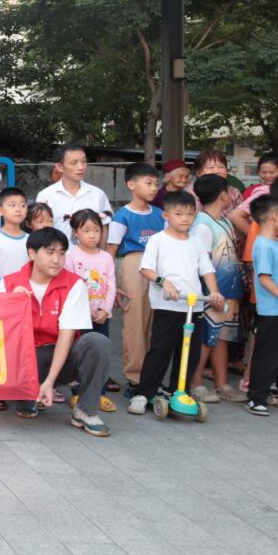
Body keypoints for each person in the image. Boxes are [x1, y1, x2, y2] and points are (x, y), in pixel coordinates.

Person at [0, 228, 113, 437]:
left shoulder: (74, 284)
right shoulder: (8, 283)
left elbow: (66, 335)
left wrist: (50, 381)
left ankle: (86, 410)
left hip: (60, 356)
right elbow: (0, 335)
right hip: (24, 359)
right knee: (25, 402)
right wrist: (11, 304)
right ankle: (25, 395)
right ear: (32, 253)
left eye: (61, 253)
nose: (57, 260)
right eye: (50, 252)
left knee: (97, 342)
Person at [127, 191, 222, 415]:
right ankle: (144, 393)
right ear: (166, 215)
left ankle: (179, 391)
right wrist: (163, 282)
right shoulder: (158, 240)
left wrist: (214, 291)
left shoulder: (196, 242)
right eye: (178, 214)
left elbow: (207, 270)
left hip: (193, 306)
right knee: (160, 350)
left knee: (189, 353)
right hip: (168, 305)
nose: (184, 218)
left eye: (189, 214)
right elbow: (146, 269)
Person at [186, 174, 247, 404]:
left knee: (221, 337)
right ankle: (195, 384)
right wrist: (210, 291)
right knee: (206, 338)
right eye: (229, 191)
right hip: (212, 293)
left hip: (228, 291)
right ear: (223, 195)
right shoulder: (202, 225)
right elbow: (200, 263)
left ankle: (222, 384)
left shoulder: (224, 220)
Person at [107, 163, 164, 391]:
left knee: (155, 323)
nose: (154, 188)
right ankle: (135, 377)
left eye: (156, 184)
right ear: (131, 185)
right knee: (135, 323)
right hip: (134, 264)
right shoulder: (122, 216)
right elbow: (111, 251)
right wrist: (110, 285)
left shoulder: (160, 214)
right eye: (148, 183)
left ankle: (151, 376)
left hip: (159, 266)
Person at [64, 209, 118, 413]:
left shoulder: (106, 257)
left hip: (101, 316)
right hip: (79, 315)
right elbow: (70, 285)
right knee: (80, 353)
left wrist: (105, 309)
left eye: (96, 230)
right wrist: (85, 310)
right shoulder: (70, 255)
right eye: (86, 231)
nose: (92, 235)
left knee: (101, 353)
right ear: (75, 232)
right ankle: (78, 392)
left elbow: (111, 285)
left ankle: (99, 393)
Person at [245, 195, 278, 415]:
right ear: (274, 216)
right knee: (267, 355)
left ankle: (265, 393)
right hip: (270, 311)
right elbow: (264, 279)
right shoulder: (264, 245)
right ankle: (256, 397)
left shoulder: (272, 243)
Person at [35, 143, 111, 238]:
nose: (81, 167)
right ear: (60, 167)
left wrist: (102, 248)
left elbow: (104, 226)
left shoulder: (98, 194)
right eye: (74, 163)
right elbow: (40, 230)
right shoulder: (45, 196)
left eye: (84, 161)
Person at [189, 148, 243, 220]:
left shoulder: (234, 193)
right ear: (198, 173)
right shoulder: (190, 193)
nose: (217, 171)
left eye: (221, 167)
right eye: (211, 167)